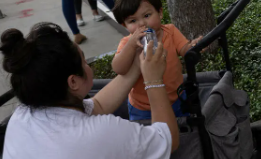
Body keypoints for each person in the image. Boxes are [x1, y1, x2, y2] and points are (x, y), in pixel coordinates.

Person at [0, 22, 179, 159]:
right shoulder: (101, 133)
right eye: (84, 61)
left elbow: (97, 105)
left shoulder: (22, 115)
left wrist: (138, 67)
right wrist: (153, 80)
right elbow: (168, 140)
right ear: (73, 82)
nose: (88, 65)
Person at [111, 0, 203, 121]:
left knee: (184, 130)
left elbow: (186, 51)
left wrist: (195, 47)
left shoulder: (170, 32)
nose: (142, 23)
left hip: (177, 98)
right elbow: (119, 68)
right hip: (143, 108)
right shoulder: (127, 43)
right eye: (133, 21)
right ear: (125, 25)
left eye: (147, 16)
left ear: (159, 13)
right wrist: (131, 46)